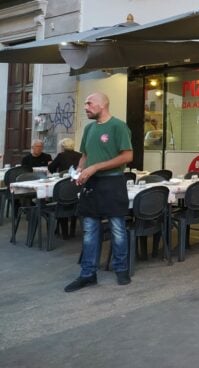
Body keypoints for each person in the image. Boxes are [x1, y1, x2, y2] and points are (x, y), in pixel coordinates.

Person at [65, 92, 133, 293]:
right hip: (91, 185)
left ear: (102, 105)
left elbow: (127, 156)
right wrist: (80, 169)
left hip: (113, 182)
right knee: (89, 231)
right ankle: (88, 274)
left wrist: (95, 167)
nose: (85, 107)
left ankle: (121, 269)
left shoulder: (118, 126)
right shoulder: (89, 128)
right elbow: (85, 155)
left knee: (117, 230)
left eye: (89, 103)